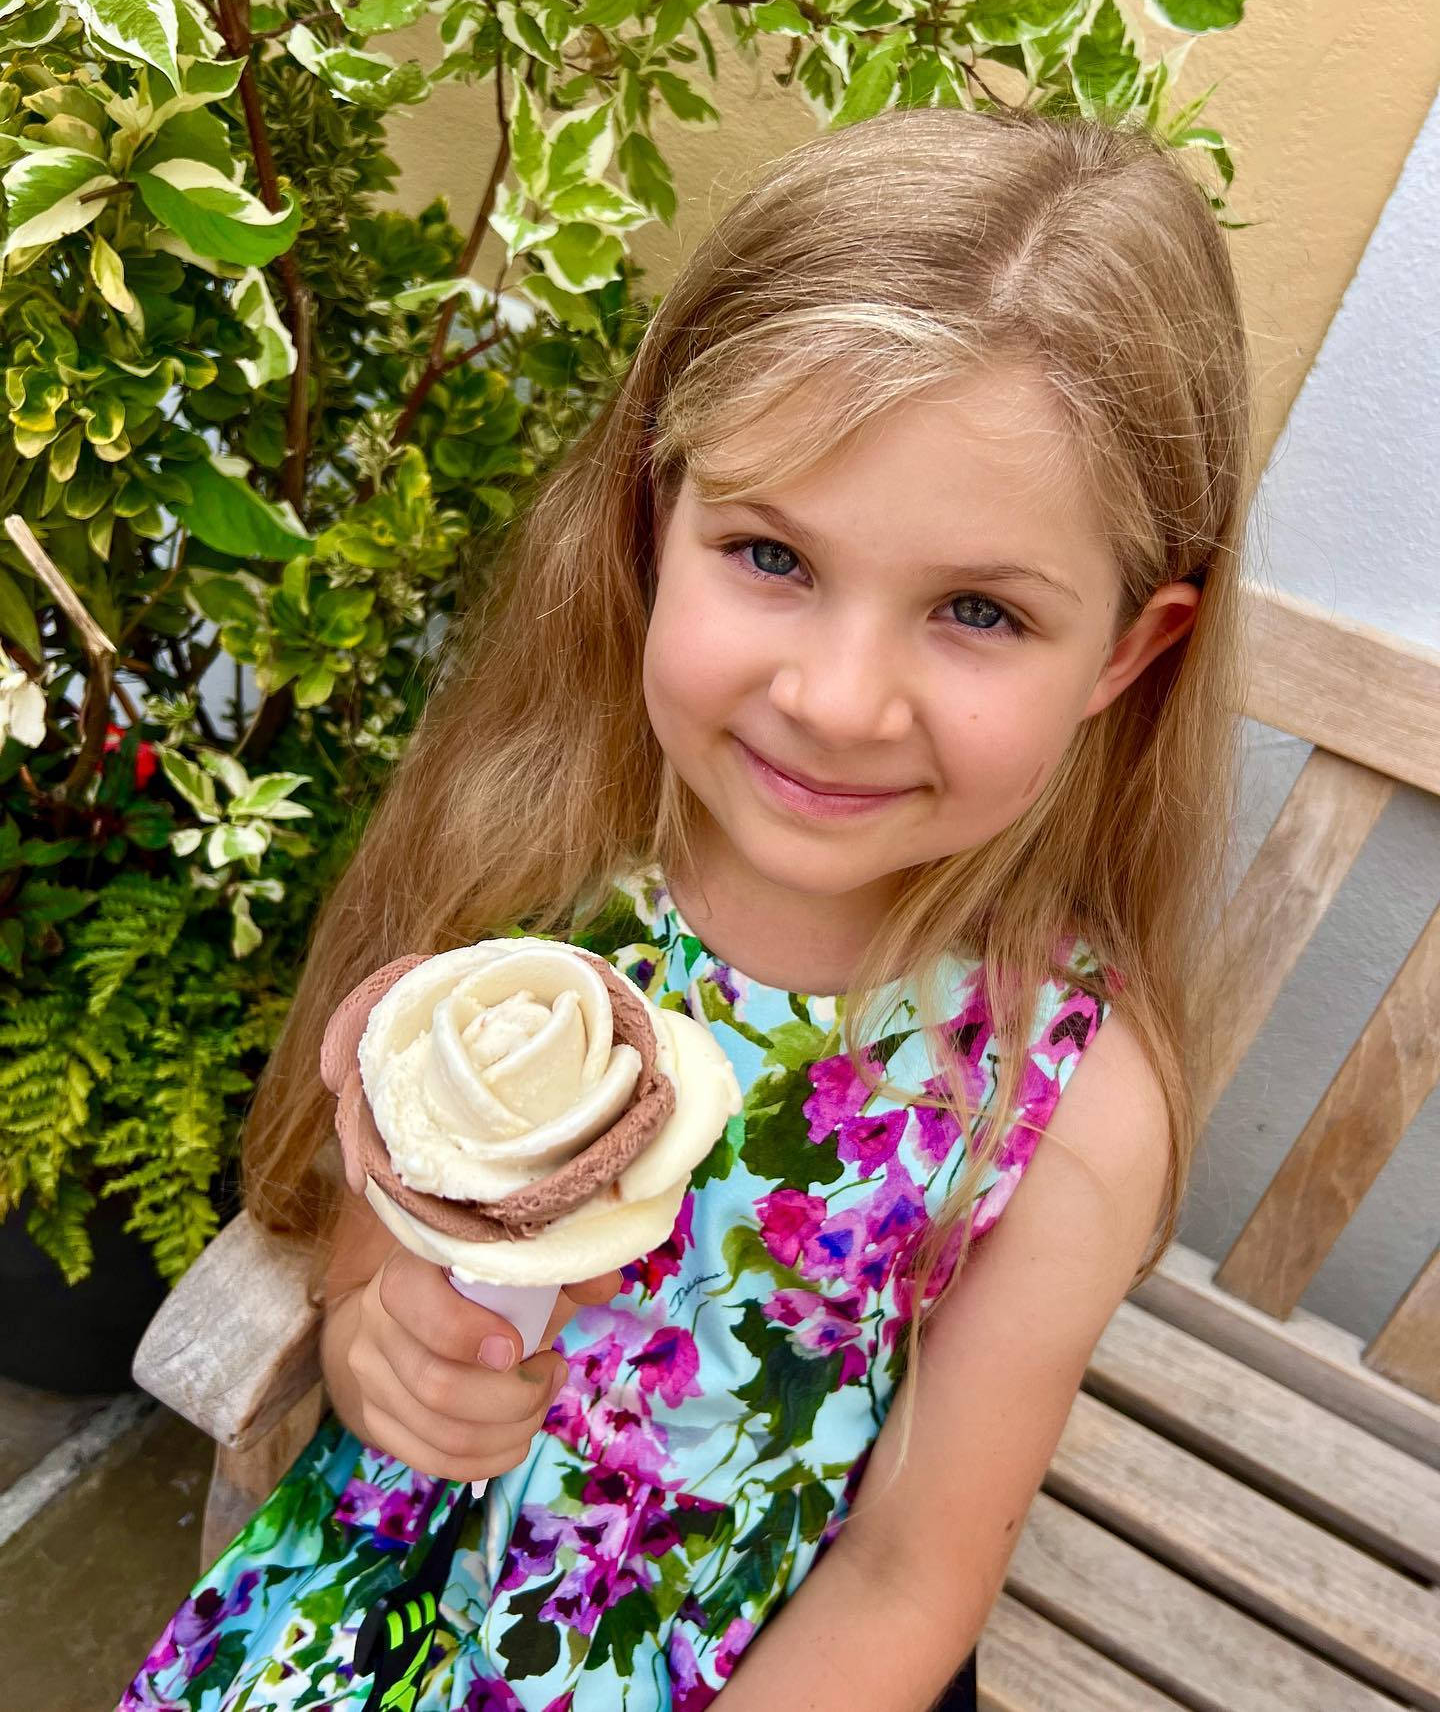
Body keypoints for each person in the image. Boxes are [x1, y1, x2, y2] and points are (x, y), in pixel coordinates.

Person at [117, 101, 1253, 1712]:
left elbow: (907, 1579)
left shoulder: (1058, 1107)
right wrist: (383, 1352)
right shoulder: (545, 864)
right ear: (661, 520)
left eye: (980, 610)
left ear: (1127, 656)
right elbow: (394, 1235)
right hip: (377, 1600)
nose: (840, 698)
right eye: (773, 555)